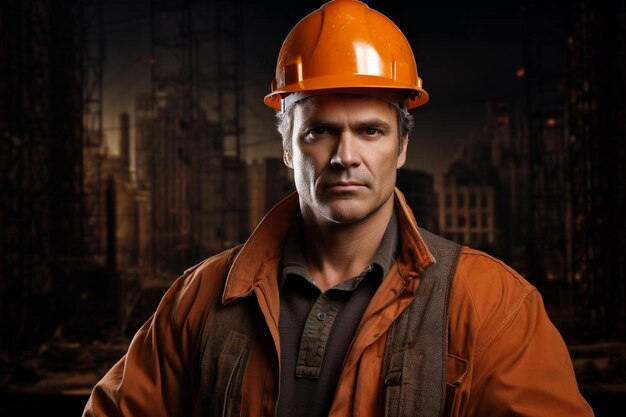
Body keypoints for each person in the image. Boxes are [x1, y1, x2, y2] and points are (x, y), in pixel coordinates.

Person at [83, 0, 595, 416]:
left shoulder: (492, 306)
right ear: (287, 147)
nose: (345, 156)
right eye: (320, 131)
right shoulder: (200, 300)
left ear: (402, 146)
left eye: (370, 131)